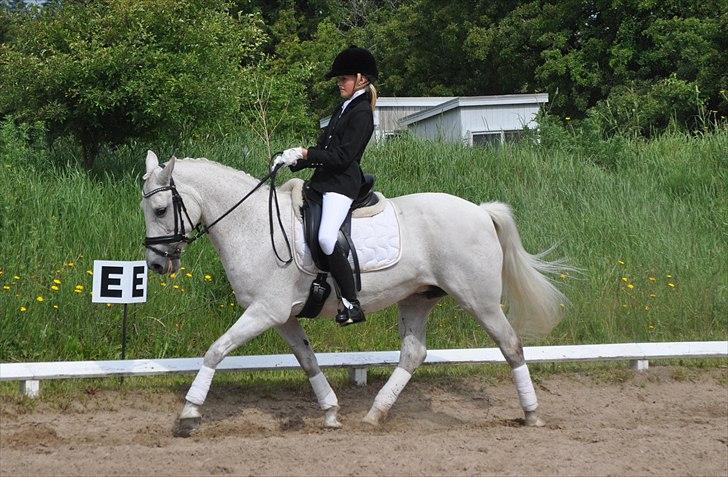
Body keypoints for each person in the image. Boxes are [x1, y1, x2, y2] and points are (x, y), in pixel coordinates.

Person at [273, 45, 378, 326]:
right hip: (324, 181)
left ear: (361, 79)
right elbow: (325, 147)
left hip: (342, 184)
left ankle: (351, 303)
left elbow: (342, 157)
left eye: (344, 78)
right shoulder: (342, 108)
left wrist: (308, 154)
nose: (339, 83)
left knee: (326, 237)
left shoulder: (362, 113)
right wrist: (293, 160)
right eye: (339, 79)